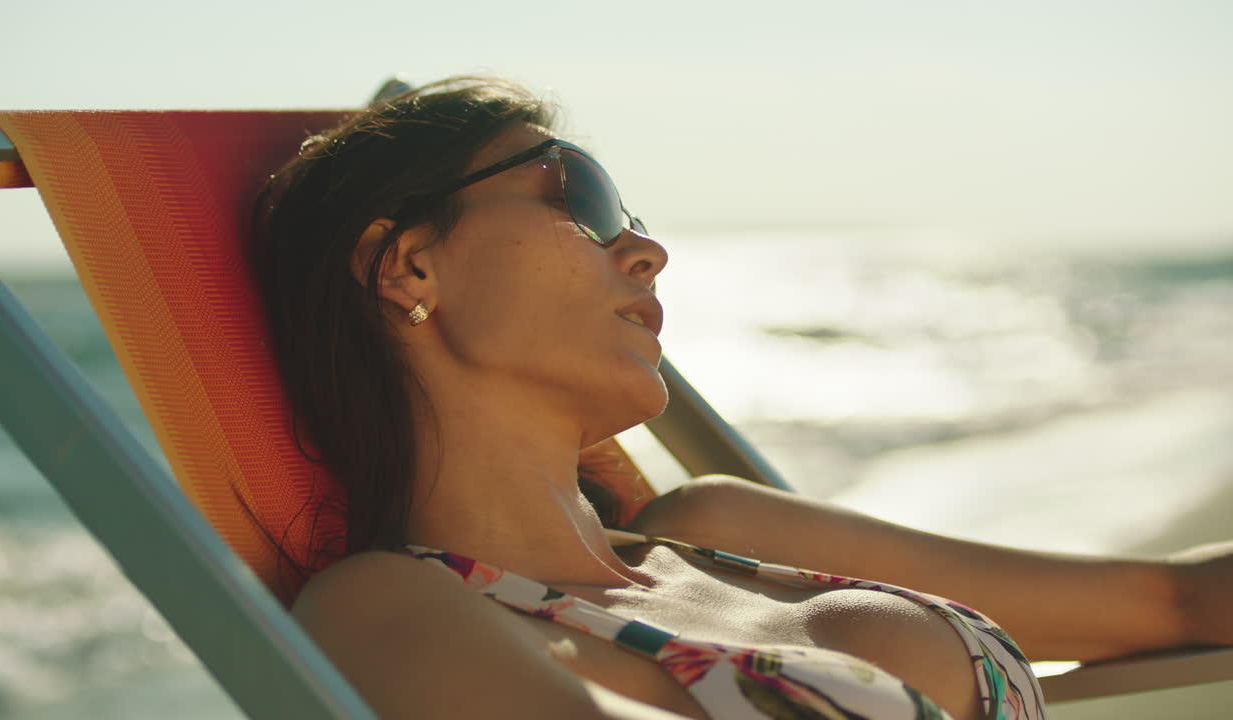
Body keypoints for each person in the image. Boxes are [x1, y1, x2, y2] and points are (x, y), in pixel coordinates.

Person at [252, 77, 1231, 720]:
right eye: (580, 199)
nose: (646, 249)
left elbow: (1171, 601)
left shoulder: (720, 528)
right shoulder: (389, 605)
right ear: (408, 266)